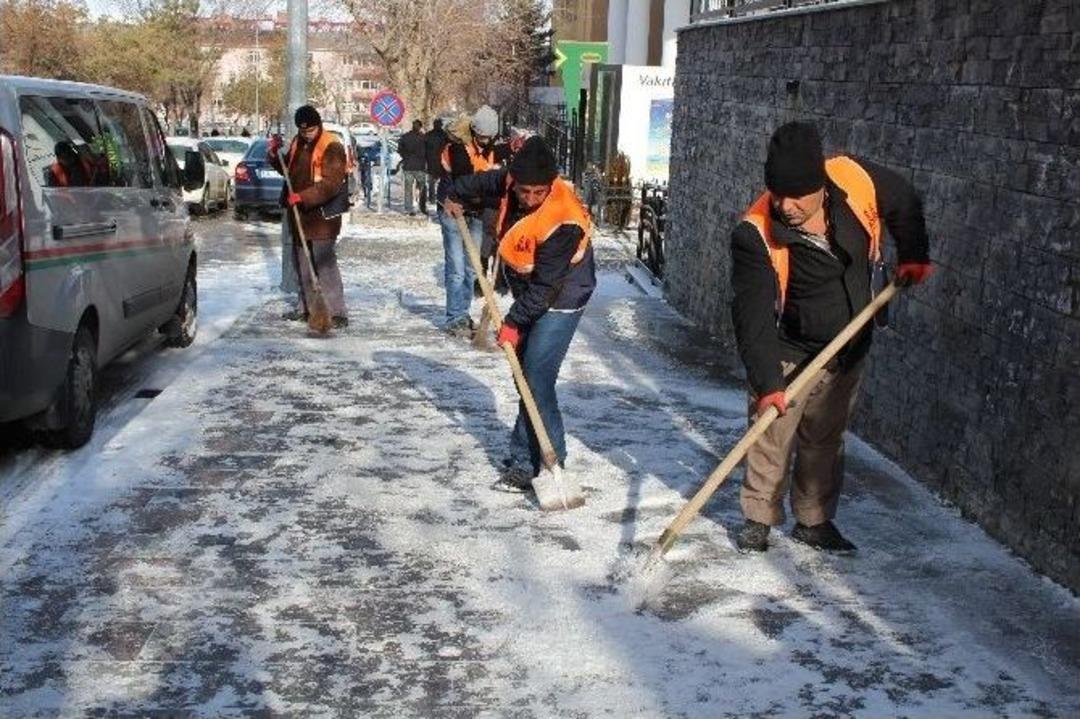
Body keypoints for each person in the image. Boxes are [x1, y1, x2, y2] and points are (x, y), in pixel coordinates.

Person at [730, 121, 932, 554]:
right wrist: (768, 384)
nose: (785, 206)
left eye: (795, 195)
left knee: (825, 437)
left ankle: (814, 521)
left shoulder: (855, 180)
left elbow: (903, 201)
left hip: (848, 344)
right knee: (771, 436)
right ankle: (758, 518)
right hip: (788, 348)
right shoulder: (754, 233)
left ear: (820, 184)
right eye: (776, 194)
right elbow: (752, 317)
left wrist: (914, 254)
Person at [444, 136, 595, 489]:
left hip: (562, 296)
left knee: (536, 378)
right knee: (525, 377)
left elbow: (547, 287)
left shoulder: (565, 219)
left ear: (551, 185)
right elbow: (471, 181)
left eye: (537, 193)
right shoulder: (509, 179)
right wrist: (454, 195)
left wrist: (513, 322)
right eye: (523, 191)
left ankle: (542, 460)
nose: (528, 199)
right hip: (532, 292)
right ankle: (527, 456)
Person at [268, 104, 350, 329]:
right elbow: (288, 169)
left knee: (324, 264)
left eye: (310, 130)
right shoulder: (298, 142)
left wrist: (302, 197)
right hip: (300, 215)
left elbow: (331, 184)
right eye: (303, 131)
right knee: (302, 264)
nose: (307, 134)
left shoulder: (331, 145)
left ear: (318, 125)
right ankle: (306, 307)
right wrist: (274, 155)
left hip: (323, 216)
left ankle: (336, 311)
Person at [436, 106, 511, 336]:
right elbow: (466, 183)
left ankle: (463, 313)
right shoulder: (459, 149)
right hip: (453, 211)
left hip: (476, 212)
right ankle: (453, 318)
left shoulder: (487, 148)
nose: (484, 142)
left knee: (472, 268)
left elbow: (494, 158)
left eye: (489, 139)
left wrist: (513, 147)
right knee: (457, 267)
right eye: (481, 138)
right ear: (474, 132)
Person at [397, 119, 428, 215]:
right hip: (420, 167)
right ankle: (422, 207)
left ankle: (408, 208)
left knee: (408, 188)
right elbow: (428, 152)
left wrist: (405, 157)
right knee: (422, 187)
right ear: (420, 127)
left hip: (408, 166)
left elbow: (399, 149)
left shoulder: (405, 137)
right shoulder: (424, 138)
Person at [424, 118, 448, 208]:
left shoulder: (428, 135)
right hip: (442, 162)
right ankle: (441, 198)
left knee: (432, 182)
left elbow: (424, 149)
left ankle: (432, 199)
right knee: (443, 182)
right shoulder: (445, 135)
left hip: (431, 162)